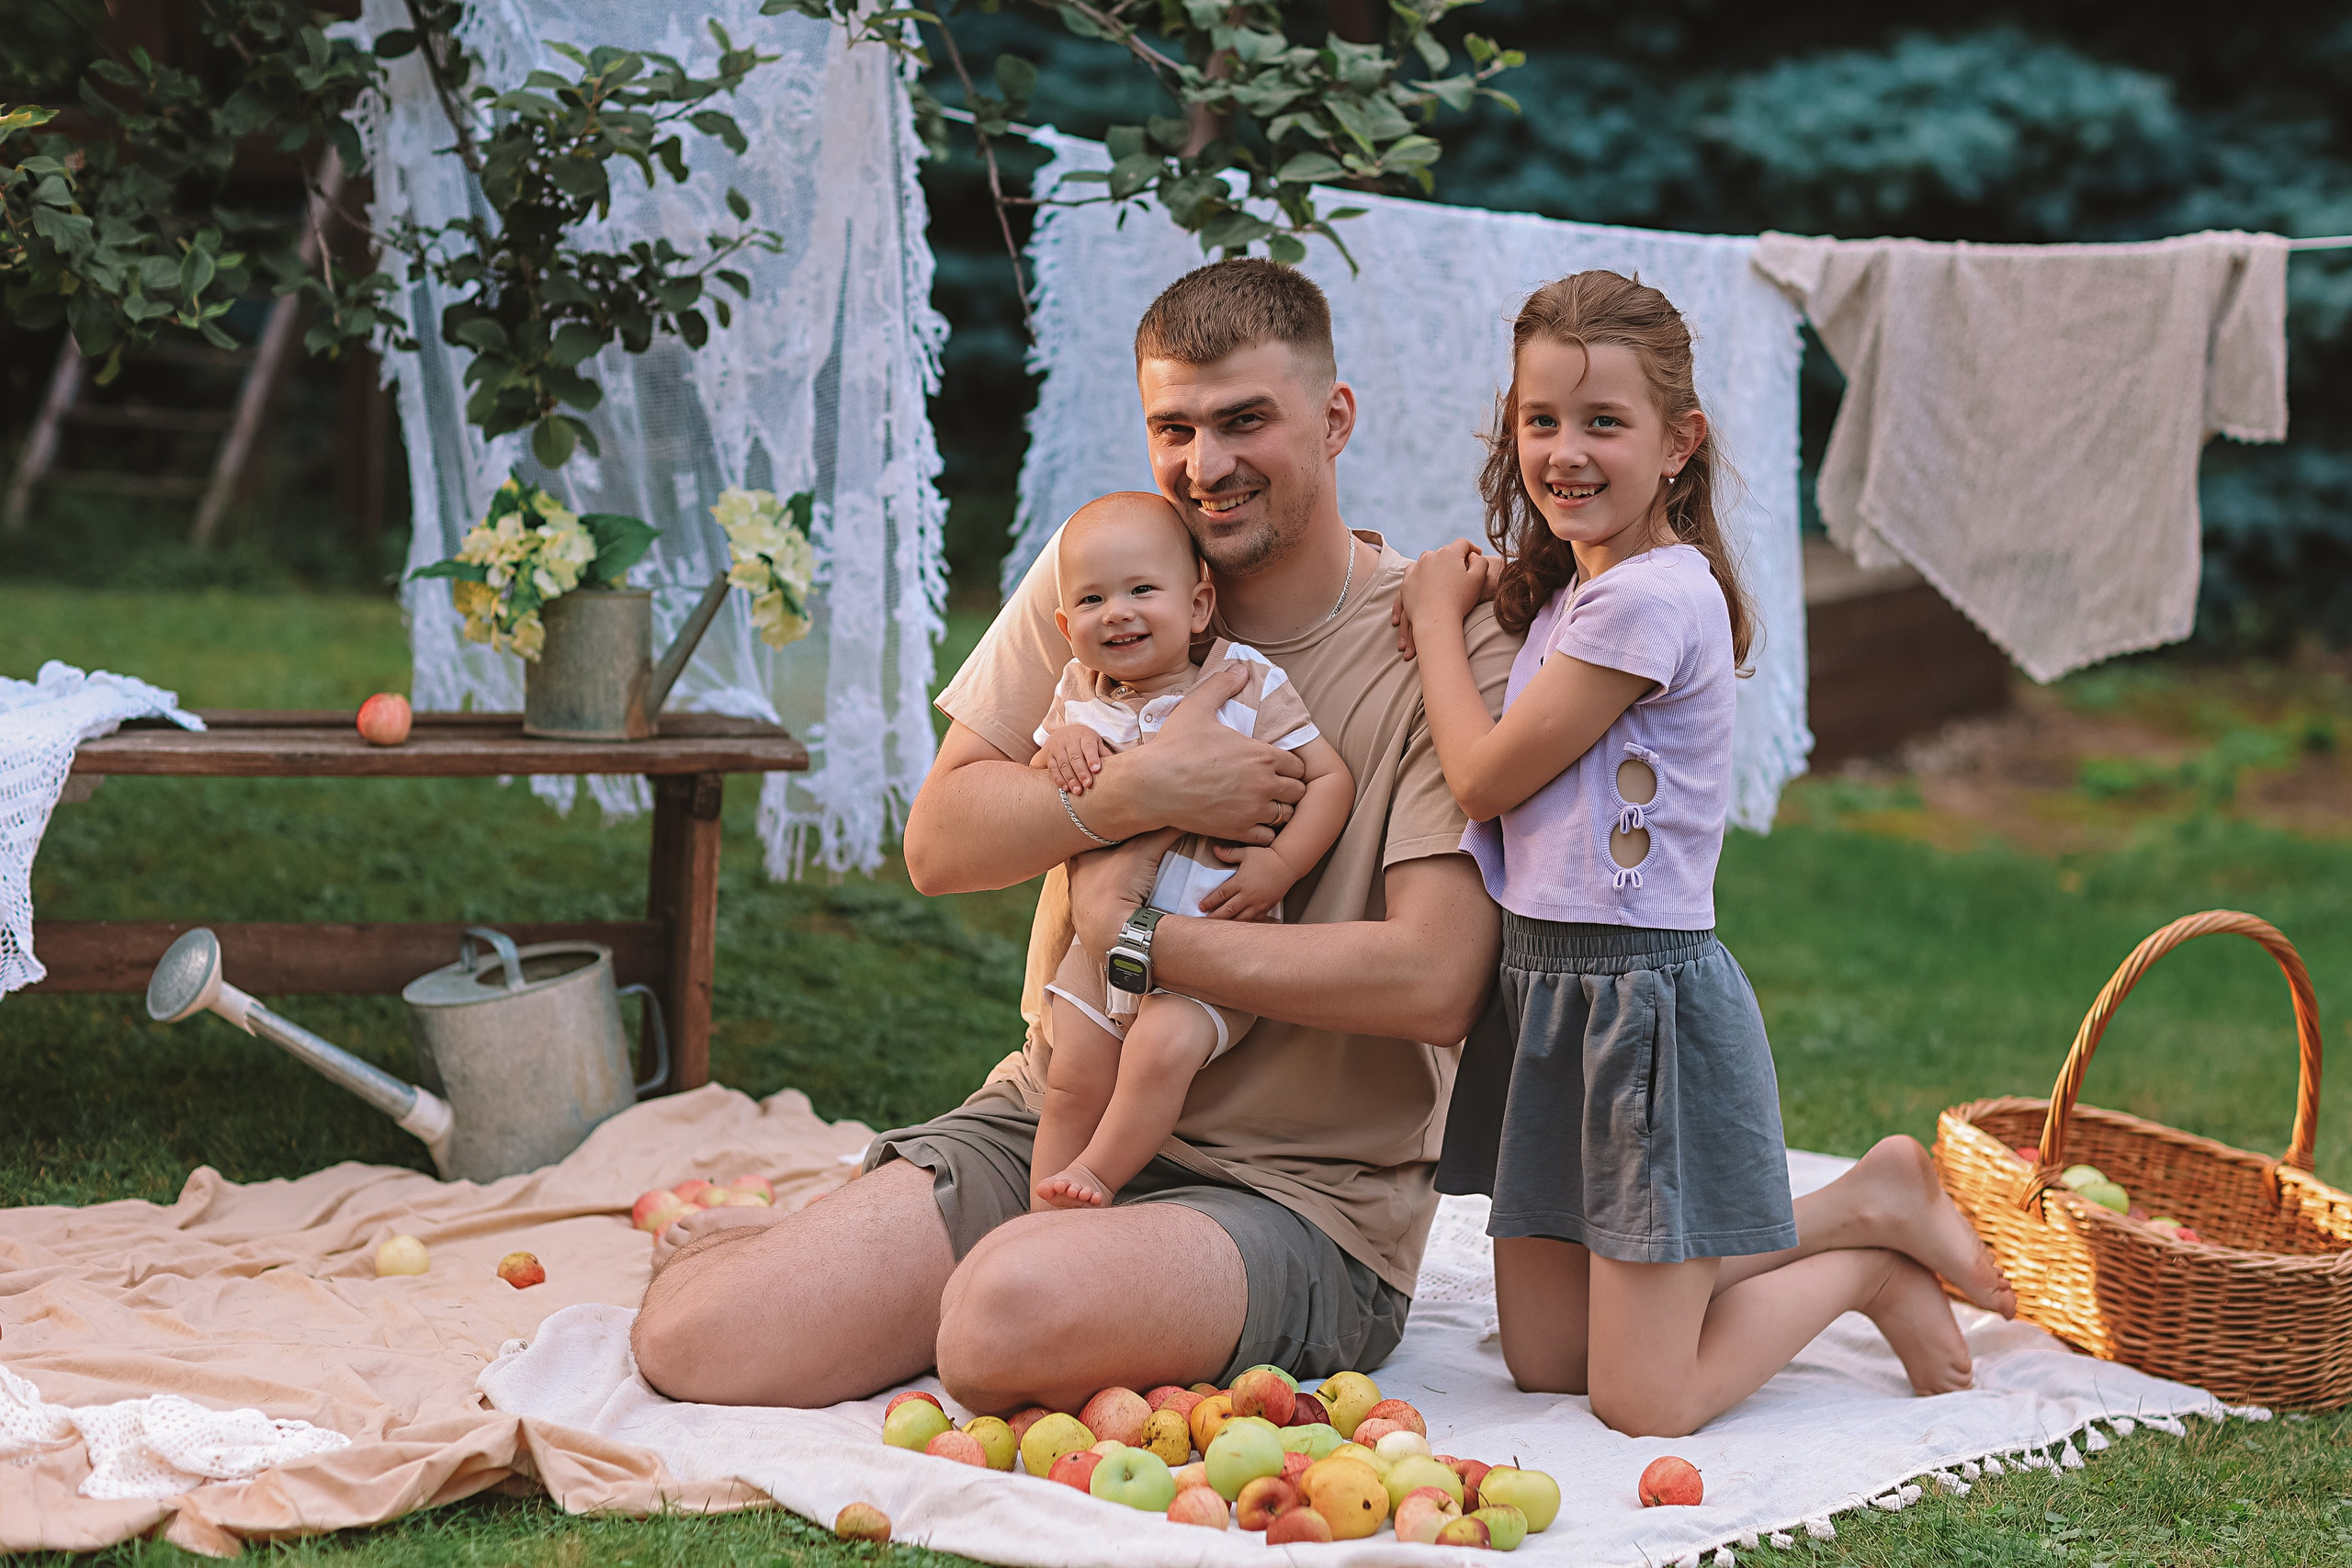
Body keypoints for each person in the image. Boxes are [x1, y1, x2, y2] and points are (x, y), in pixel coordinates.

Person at [629, 257, 2011, 1419]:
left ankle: (1031, 1280)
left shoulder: (1452, 646)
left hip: (1300, 1198)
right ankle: (839, 1246)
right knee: (697, 1342)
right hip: (1052, 1111)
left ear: (1334, 415)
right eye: (1175, 428)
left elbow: (1431, 981)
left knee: (996, 1324)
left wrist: (1142, 943)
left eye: (1245, 422)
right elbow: (940, 840)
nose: (1205, 464)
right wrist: (1137, 791)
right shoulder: (1109, 574)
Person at [1397, 269, 2016, 1439]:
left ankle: (1864, 1262)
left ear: (1679, 443)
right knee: (1543, 1362)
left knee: (1644, 1400)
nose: (1565, 451)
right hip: (1539, 994)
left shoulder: (1654, 600)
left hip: (1636, 1008)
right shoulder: (1577, 595)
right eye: (1541, 420)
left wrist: (1434, 617)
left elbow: (1481, 778)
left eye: (1603, 423)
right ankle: (1858, 1201)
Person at [1026, 491, 1354, 1211]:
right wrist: (1064, 750)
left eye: (1142, 589)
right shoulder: (1078, 697)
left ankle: (1097, 1177)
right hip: (1098, 945)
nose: (1117, 611)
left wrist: (1281, 864)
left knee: (1156, 1053)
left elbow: (1330, 777)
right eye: (1091, 599)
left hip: (1216, 942)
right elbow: (1042, 786)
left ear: (1199, 605)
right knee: (1072, 1076)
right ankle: (1044, 1214)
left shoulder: (1244, 681)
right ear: (1065, 624)